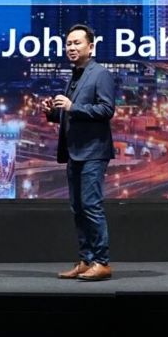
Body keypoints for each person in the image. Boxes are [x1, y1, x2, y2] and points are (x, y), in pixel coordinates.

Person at [40, 23, 116, 281]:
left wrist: (72, 107)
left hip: (93, 151)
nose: (71, 48)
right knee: (78, 208)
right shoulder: (74, 76)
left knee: (91, 206)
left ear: (90, 47)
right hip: (74, 151)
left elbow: (106, 110)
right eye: (68, 44)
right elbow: (71, 114)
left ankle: (102, 262)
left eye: (76, 43)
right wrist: (53, 112)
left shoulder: (100, 74)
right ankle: (86, 260)